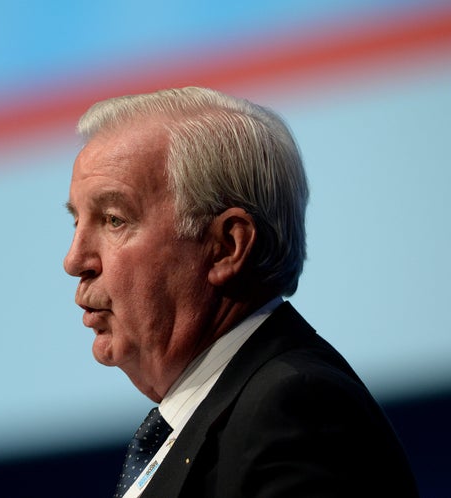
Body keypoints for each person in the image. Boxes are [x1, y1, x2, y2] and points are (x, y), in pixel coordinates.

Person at [63, 87, 418, 497]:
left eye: (113, 219)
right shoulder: (205, 421)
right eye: (76, 222)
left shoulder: (294, 412)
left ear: (226, 247)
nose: (74, 260)